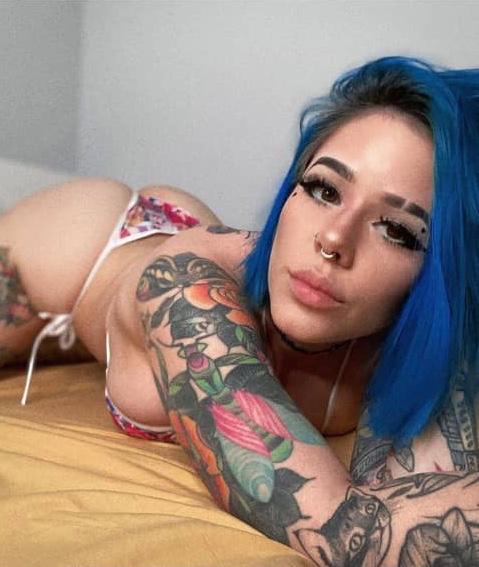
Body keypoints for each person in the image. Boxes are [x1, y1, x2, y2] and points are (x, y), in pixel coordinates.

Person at [1, 55, 479, 565]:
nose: (333, 240)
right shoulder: (186, 296)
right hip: (76, 248)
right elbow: (343, 532)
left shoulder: (435, 343)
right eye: (323, 189)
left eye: (397, 230)